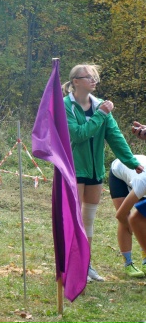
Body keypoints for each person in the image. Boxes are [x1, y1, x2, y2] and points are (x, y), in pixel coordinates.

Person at [62, 63, 141, 282]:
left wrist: (132, 162)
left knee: (88, 220)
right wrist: (101, 114)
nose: (93, 80)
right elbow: (78, 135)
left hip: (95, 171)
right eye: (88, 77)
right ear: (76, 81)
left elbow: (115, 136)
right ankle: (72, 266)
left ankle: (85, 264)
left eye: (95, 77)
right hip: (73, 169)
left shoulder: (98, 105)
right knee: (74, 220)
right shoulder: (66, 106)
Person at [109, 155, 146, 277]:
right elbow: (120, 215)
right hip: (119, 173)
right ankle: (128, 263)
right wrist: (130, 227)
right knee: (125, 217)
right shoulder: (142, 183)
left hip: (138, 172)